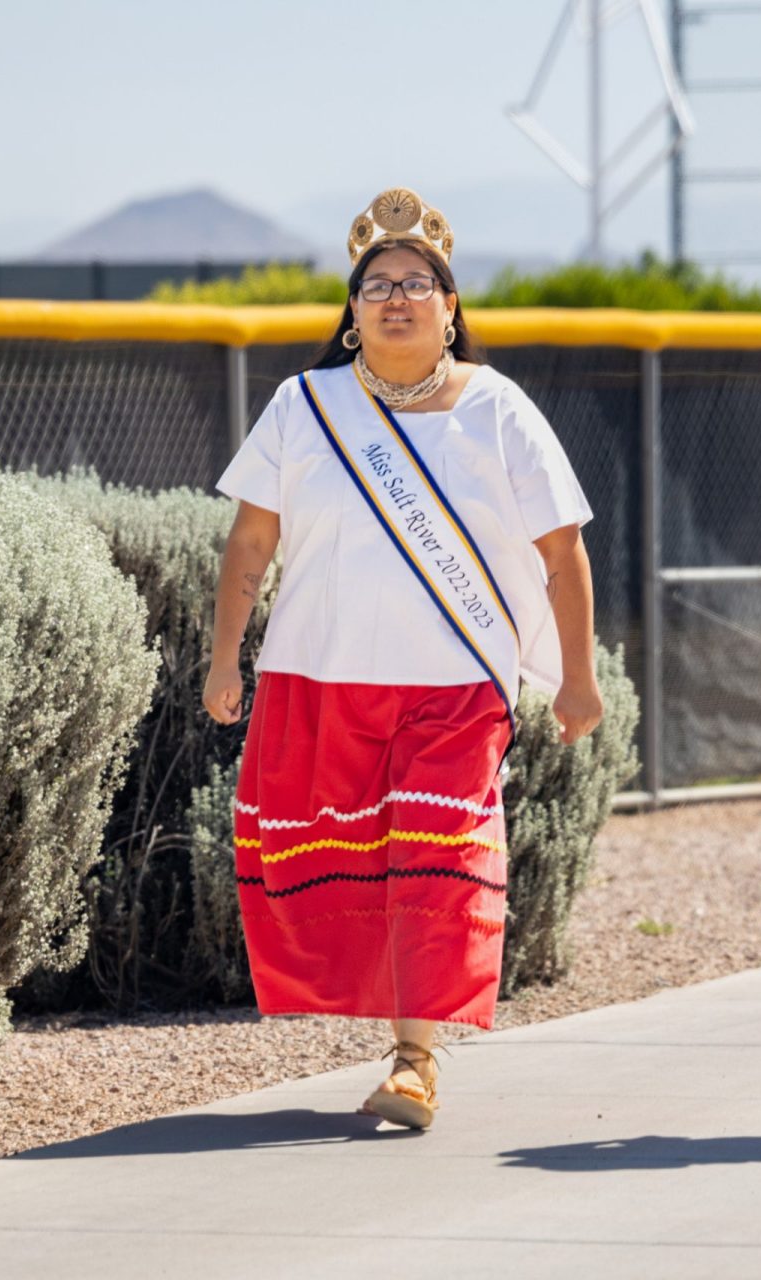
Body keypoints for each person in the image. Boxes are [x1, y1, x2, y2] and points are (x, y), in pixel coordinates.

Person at [202, 187, 603, 1129]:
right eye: (376, 284)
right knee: (335, 869)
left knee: (436, 868)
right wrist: (226, 659)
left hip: (457, 690)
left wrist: (577, 677)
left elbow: (562, 550)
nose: (396, 298)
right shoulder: (304, 406)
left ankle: (416, 1057)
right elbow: (250, 544)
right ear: (351, 311)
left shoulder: (499, 408)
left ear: (451, 308)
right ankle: (391, 1031)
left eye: (417, 283)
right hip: (320, 677)